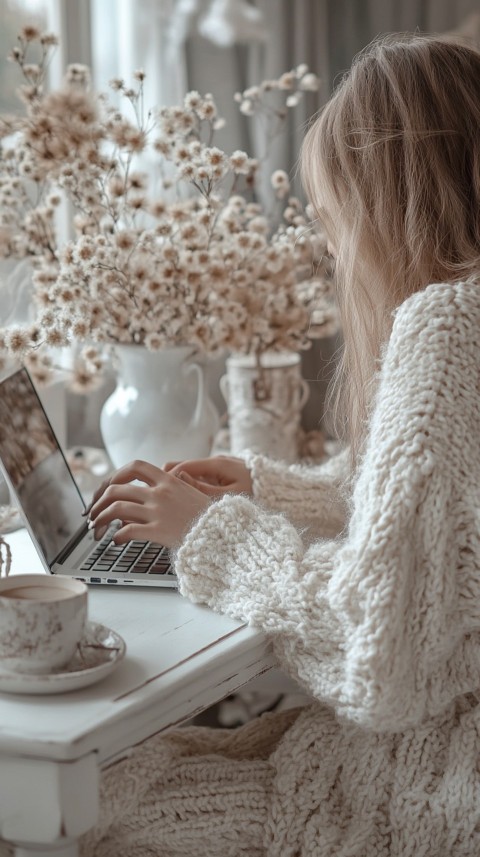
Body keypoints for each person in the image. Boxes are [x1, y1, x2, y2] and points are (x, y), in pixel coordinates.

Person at [83, 34, 480, 857]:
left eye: (335, 219)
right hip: (424, 755)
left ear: (387, 205)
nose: (333, 250)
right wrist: (271, 490)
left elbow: (379, 658)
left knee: (80, 805)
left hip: (424, 785)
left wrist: (210, 533)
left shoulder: (445, 326)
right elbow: (444, 515)